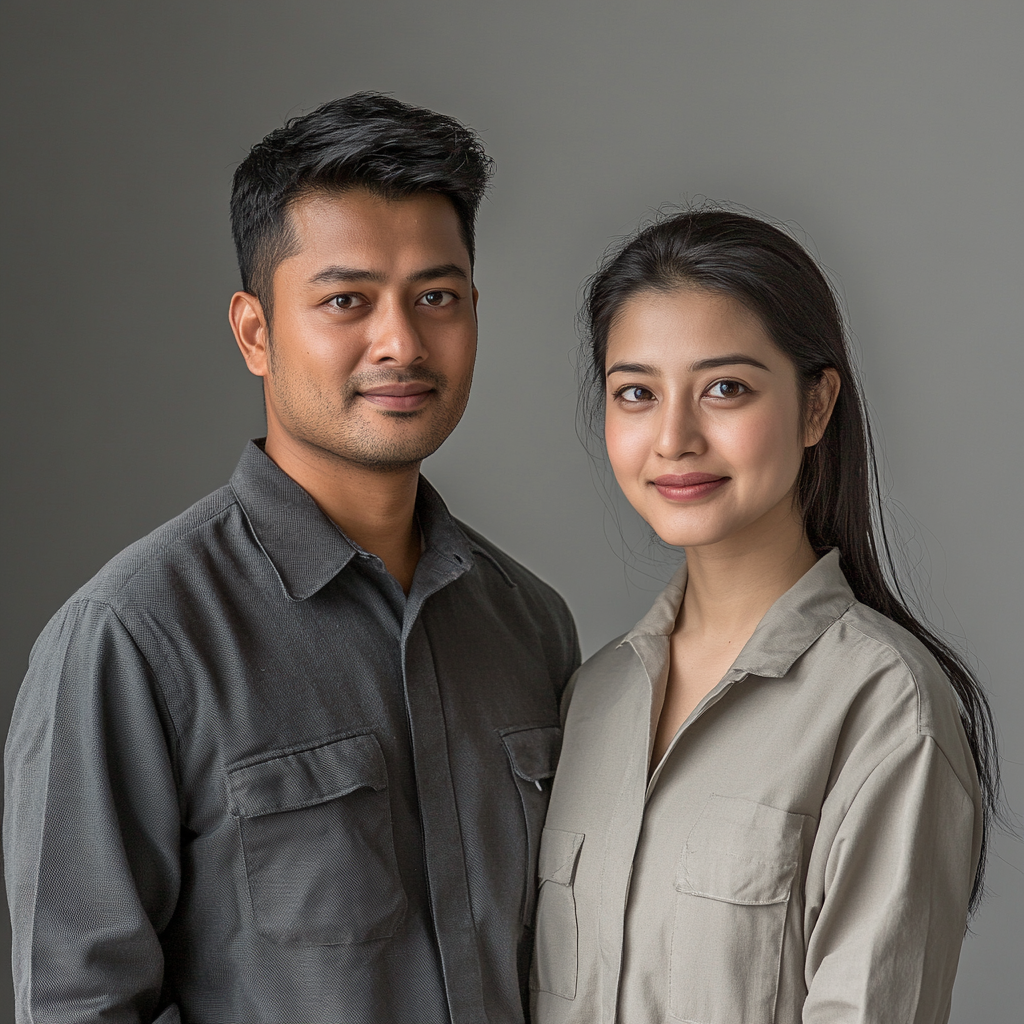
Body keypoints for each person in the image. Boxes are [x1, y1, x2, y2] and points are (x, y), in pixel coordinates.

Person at [4, 92, 580, 1024]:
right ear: (255, 332)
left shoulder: (529, 624)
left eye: (437, 297)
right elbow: (79, 1005)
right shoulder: (130, 641)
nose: (401, 342)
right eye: (346, 300)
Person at [531, 210, 998, 1024]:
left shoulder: (886, 708)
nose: (673, 438)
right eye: (636, 393)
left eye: (725, 389)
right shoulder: (592, 697)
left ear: (815, 408)